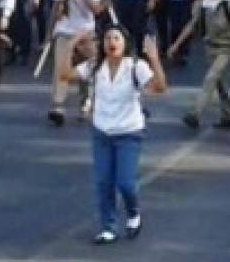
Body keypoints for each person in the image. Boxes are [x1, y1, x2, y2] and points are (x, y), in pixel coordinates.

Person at [61, 23, 167, 245]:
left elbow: (159, 88)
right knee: (103, 182)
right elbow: (64, 75)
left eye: (117, 38)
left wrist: (154, 58)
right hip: (102, 133)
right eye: (108, 38)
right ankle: (108, 227)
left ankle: (133, 212)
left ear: (125, 43)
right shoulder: (94, 67)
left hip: (129, 132)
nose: (112, 42)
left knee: (126, 183)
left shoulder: (136, 67)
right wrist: (70, 45)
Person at [172, 0, 230, 132]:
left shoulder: (228, 3)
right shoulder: (204, 3)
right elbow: (192, 24)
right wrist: (177, 44)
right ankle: (228, 116)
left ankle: (195, 114)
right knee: (219, 83)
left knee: (210, 78)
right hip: (210, 48)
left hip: (225, 49)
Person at [46, 0, 106, 126]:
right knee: (61, 67)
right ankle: (58, 106)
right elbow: (55, 11)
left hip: (86, 32)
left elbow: (96, 10)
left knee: (88, 68)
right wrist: (49, 34)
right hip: (65, 31)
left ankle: (86, 102)